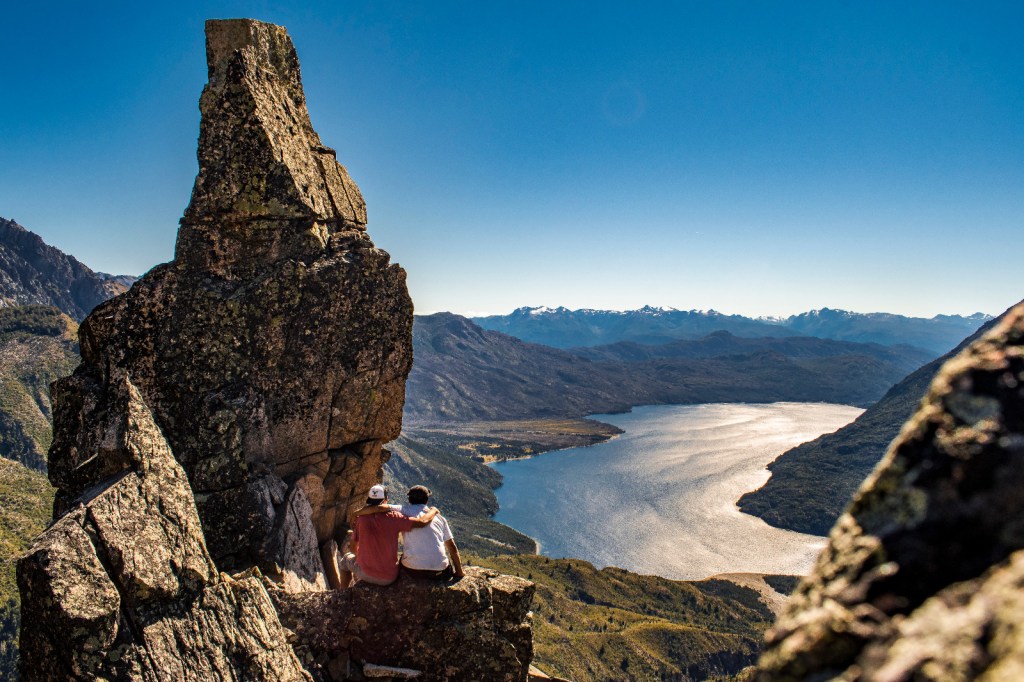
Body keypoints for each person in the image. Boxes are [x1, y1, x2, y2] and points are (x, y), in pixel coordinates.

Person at [335, 484, 438, 587]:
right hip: (389, 577)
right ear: (385, 500)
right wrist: (434, 510)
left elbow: (353, 548)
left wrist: (365, 559)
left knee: (345, 560)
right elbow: (421, 522)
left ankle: (344, 591)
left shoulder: (360, 519)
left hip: (366, 573)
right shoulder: (395, 517)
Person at [398, 485, 464, 580]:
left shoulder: (402, 514)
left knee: (402, 558)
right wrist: (459, 572)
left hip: (412, 571)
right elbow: (452, 547)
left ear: (409, 499)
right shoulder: (440, 518)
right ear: (427, 500)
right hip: (439, 572)